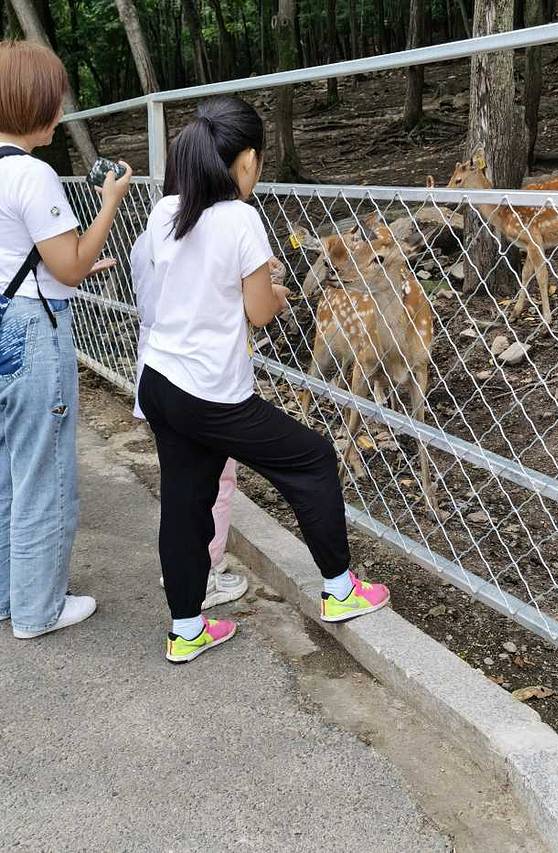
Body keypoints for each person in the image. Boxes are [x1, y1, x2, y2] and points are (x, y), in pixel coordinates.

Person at [137, 95, 390, 665]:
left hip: (161, 379)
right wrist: (274, 289)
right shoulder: (240, 217)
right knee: (312, 459)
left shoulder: (166, 210)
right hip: (212, 392)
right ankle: (340, 591)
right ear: (246, 158)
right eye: (259, 158)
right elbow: (259, 312)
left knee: (185, 500)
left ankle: (186, 629)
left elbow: (185, 286)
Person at [0, 40, 132, 639]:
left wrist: (64, 266)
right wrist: (110, 204)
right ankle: (39, 611)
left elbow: (24, 256)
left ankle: (8, 596)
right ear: (36, 106)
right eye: (55, 100)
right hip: (33, 330)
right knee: (43, 470)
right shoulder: (33, 173)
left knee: (6, 469)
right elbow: (73, 264)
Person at [131, 147, 248, 608]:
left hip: (157, 374)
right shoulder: (207, 231)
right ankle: (208, 572)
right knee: (216, 479)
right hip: (202, 379)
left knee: (179, 482)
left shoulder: (150, 235)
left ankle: (180, 576)